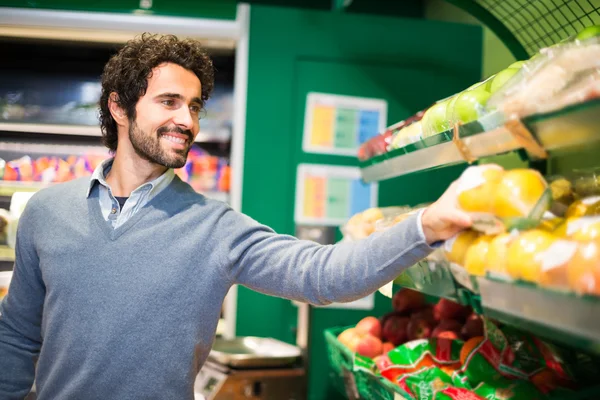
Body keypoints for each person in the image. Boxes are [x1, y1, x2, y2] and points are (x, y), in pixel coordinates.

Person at [0, 34, 472, 400]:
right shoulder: (47, 212)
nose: (188, 120)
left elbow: (323, 275)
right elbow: (18, 336)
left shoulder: (216, 228)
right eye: (169, 102)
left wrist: (427, 224)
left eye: (195, 106)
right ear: (119, 107)